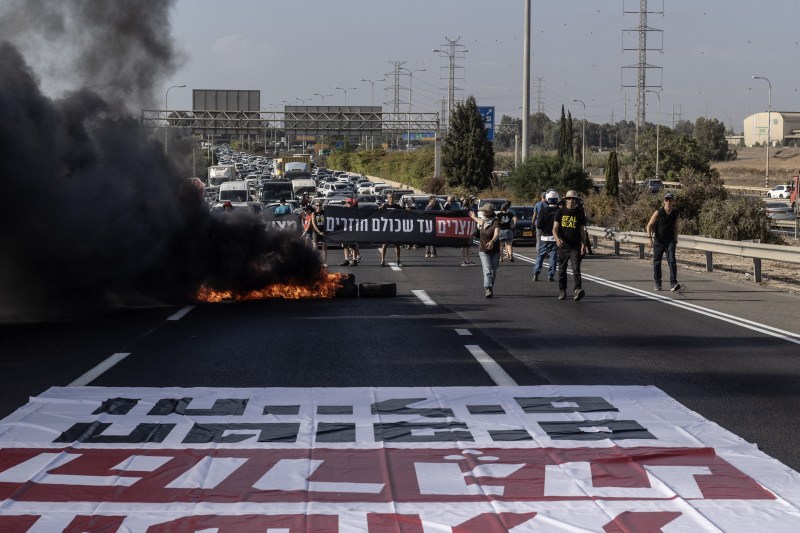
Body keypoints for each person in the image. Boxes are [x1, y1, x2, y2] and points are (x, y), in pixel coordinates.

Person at [553, 190, 588, 301]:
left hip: (575, 246)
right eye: (569, 199)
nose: (571, 201)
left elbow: (582, 230)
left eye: (573, 199)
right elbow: (554, 229)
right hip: (563, 246)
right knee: (562, 270)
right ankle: (562, 290)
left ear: (576, 201)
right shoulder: (560, 212)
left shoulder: (579, 212)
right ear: (566, 200)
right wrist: (557, 239)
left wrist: (584, 244)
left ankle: (577, 290)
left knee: (576, 268)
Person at [646, 192, 681, 291]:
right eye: (666, 200)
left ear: (673, 201)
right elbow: (649, 225)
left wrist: (675, 240)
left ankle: (673, 283)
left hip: (670, 241)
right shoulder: (658, 212)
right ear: (663, 201)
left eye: (670, 200)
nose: (668, 202)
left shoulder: (675, 213)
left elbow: (676, 227)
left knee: (672, 261)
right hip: (659, 241)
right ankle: (658, 283)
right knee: (657, 262)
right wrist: (649, 238)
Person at [468, 203, 501, 297]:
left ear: (488, 212)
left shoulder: (495, 222)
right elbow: (480, 222)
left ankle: (490, 286)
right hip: (483, 250)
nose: (482, 212)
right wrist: (473, 217)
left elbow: (496, 234)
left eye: (483, 211)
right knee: (487, 270)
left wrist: (492, 242)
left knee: (493, 271)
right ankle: (488, 288)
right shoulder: (484, 221)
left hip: (494, 250)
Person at [533, 190, 560, 282]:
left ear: (547, 199)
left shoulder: (543, 210)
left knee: (540, 255)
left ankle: (536, 273)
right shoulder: (559, 211)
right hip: (556, 237)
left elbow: (539, 225)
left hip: (544, 237)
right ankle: (551, 275)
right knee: (553, 256)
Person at [378, 192, 405, 267]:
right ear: (387, 198)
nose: (391, 199)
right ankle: (382, 261)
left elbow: (404, 213)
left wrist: (408, 209)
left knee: (397, 245)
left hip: (395, 229)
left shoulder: (397, 206)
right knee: (384, 245)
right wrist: (379, 209)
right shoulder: (385, 206)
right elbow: (379, 214)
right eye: (390, 197)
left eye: (392, 197)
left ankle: (398, 260)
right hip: (387, 229)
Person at [339, 197, 360, 266]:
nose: (350, 204)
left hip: (353, 230)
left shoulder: (355, 210)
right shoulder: (343, 210)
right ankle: (346, 260)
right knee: (345, 246)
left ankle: (354, 260)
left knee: (353, 246)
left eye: (351, 203)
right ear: (346, 203)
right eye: (348, 203)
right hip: (345, 230)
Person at [460, 195, 477, 266]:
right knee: (466, 246)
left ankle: (466, 260)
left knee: (465, 246)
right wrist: (475, 228)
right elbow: (474, 219)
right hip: (467, 229)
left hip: (464, 229)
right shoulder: (469, 210)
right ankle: (465, 260)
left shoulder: (463, 210)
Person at [310, 200, 328, 267]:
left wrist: (324, 231)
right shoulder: (313, 213)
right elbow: (313, 223)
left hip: (324, 232)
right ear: (315, 206)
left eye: (320, 205)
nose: (318, 207)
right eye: (317, 205)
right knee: (315, 248)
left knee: (324, 247)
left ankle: (324, 262)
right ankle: (314, 262)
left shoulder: (324, 212)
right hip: (316, 232)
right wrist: (319, 232)